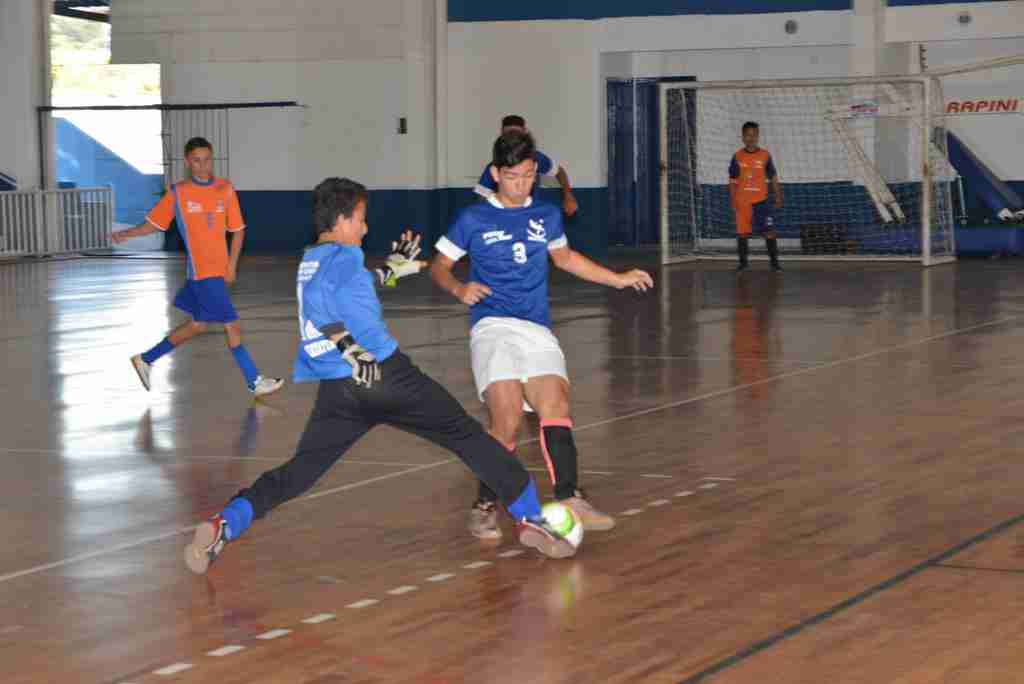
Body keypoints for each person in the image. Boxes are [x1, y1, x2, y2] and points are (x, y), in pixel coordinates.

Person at [184, 177, 576, 574]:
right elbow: (323, 301)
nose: (366, 227)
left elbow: (349, 287)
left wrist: (393, 268)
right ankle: (531, 518)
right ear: (340, 221)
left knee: (299, 472)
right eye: (360, 219)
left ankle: (226, 523)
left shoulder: (313, 259)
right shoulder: (341, 258)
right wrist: (350, 347)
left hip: (341, 392)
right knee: (470, 438)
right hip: (388, 378)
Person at [431, 130, 653, 540]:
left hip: (535, 326)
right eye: (514, 176)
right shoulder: (473, 218)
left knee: (555, 404)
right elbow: (438, 266)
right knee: (508, 420)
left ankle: (570, 498)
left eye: (530, 176)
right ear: (496, 173)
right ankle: (484, 504)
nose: (522, 184)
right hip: (492, 327)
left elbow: (565, 258)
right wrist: (459, 288)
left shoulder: (546, 216)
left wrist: (618, 280)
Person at [112, 137, 283, 396]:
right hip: (202, 273)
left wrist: (232, 265)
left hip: (218, 271)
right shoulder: (178, 193)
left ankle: (146, 359)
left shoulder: (225, 189)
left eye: (207, 160)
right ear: (187, 162)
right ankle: (254, 381)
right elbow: (154, 223)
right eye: (196, 161)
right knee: (232, 325)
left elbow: (238, 231)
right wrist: (129, 233)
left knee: (198, 325)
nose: (203, 166)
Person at [474, 115, 578, 218]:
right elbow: (481, 201)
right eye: (511, 176)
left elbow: (559, 172)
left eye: (527, 175)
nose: (520, 184)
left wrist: (568, 196)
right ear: (496, 173)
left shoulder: (537, 158)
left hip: (532, 217)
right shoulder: (495, 165)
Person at [729, 121, 784, 272]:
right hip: (743, 201)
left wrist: (778, 196)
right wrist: (733, 199)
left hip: (762, 201)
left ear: (758, 136)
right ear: (743, 137)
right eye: (747, 135)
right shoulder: (737, 156)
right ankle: (743, 264)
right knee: (742, 233)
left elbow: (773, 177)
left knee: (769, 231)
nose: (751, 138)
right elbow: (732, 180)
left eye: (754, 135)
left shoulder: (765, 155)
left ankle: (774, 263)